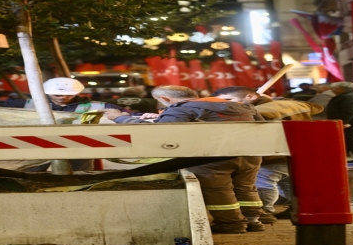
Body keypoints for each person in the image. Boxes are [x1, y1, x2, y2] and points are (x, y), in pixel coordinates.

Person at [104, 85, 267, 234]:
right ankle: (254, 221)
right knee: (245, 186)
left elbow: (158, 133)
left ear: (165, 99)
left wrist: (119, 118)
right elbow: (262, 127)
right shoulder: (241, 106)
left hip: (209, 157)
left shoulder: (180, 109)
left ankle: (232, 224)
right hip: (249, 154)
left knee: (218, 190)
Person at [212, 86, 324, 221]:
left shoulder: (258, 110)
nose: (226, 103)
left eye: (229, 99)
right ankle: (301, 207)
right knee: (287, 183)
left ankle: (265, 211)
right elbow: (317, 107)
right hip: (294, 151)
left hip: (272, 153)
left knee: (264, 183)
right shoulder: (289, 104)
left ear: (251, 97)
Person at [0, 77, 126, 171]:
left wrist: (126, 115)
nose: (62, 97)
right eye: (57, 94)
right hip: (38, 145)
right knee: (30, 173)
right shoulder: (29, 104)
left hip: (79, 146)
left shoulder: (96, 105)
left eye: (68, 94)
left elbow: (122, 114)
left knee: (80, 176)